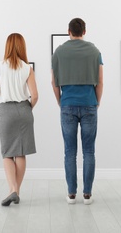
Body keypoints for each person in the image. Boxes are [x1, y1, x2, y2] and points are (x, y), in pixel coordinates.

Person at [51, 18, 103, 205]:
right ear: (84, 31)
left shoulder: (59, 52)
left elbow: (54, 82)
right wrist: (96, 102)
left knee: (69, 151)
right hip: (89, 103)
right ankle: (87, 194)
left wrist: (60, 101)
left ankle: (72, 194)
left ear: (68, 31)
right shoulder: (95, 51)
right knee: (89, 151)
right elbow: (100, 80)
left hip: (67, 105)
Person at [0, 33, 38, 206]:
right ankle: (16, 191)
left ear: (7, 46)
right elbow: (35, 95)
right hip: (25, 110)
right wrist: (26, 109)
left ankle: (13, 190)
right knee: (20, 152)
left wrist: (3, 89)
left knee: (8, 153)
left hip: (6, 110)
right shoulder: (27, 68)